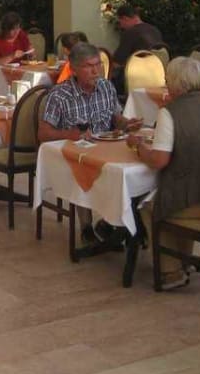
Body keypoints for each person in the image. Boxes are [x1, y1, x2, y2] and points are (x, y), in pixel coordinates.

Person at [125, 57, 200, 289]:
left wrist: (138, 146)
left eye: (167, 80)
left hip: (198, 201)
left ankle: (171, 271)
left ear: (175, 84)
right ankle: (183, 259)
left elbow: (159, 160)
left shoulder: (170, 113)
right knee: (179, 192)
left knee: (151, 205)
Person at [38, 42, 141, 241]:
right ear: (74, 69)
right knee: (84, 167)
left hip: (105, 150)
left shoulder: (106, 86)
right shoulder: (59, 95)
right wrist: (70, 135)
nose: (96, 71)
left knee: (127, 172)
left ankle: (111, 224)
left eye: (98, 64)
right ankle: (86, 228)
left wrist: (127, 124)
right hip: (74, 155)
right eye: (89, 66)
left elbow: (115, 117)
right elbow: (43, 134)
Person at [111, 5, 163, 91]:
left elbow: (117, 63)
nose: (121, 26)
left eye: (120, 22)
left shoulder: (130, 33)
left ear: (125, 18)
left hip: (135, 79)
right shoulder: (155, 30)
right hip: (157, 76)